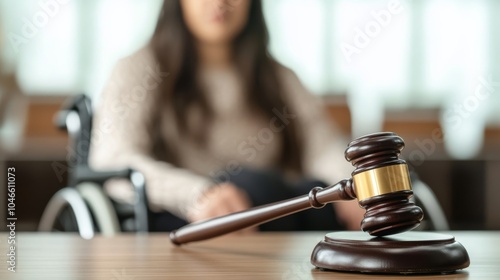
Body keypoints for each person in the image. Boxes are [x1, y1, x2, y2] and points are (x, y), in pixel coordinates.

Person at [89, 0, 364, 232]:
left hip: (272, 214)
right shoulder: (139, 70)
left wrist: (350, 188)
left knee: (310, 193)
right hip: (184, 219)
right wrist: (199, 195)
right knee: (258, 188)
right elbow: (114, 161)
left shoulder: (279, 77)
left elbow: (323, 145)